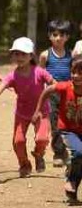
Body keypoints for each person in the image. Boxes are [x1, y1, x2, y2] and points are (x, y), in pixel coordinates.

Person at [0, 37, 54, 177]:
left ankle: (39, 154)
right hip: (22, 113)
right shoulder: (13, 76)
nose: (20, 57)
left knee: (42, 139)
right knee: (18, 141)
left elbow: (53, 83)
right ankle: (24, 165)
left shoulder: (39, 72)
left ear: (31, 56)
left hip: (41, 112)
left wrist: (64, 90)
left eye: (24, 54)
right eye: (17, 53)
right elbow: (1, 86)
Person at [32, 55, 82, 204]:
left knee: (80, 159)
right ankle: (71, 180)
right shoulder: (66, 86)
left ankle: (72, 192)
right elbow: (47, 91)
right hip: (68, 129)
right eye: (73, 72)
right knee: (79, 153)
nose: (75, 75)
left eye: (80, 72)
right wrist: (38, 110)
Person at [39, 20, 72, 167]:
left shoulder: (71, 55)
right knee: (54, 124)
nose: (58, 38)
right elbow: (40, 75)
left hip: (68, 93)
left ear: (67, 37)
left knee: (69, 123)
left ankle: (67, 150)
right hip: (51, 94)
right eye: (55, 34)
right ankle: (58, 153)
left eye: (62, 35)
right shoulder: (45, 55)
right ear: (49, 36)